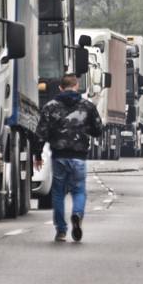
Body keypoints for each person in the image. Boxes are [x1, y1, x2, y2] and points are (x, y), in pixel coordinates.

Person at [34, 74, 103, 242]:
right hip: (79, 156)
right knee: (78, 190)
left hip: (59, 156)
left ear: (60, 87)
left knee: (58, 193)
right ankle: (77, 215)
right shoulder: (87, 106)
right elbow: (98, 130)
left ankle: (61, 230)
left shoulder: (50, 107)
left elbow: (41, 133)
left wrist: (37, 156)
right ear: (77, 85)